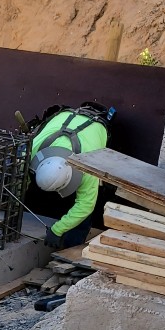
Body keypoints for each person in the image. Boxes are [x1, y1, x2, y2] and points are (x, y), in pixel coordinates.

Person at [27, 103, 115, 248]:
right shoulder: (33, 149)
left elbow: (86, 205)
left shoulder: (88, 164)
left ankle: (71, 249)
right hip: (64, 117)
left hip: (97, 127)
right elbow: (17, 179)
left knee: (85, 209)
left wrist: (57, 230)